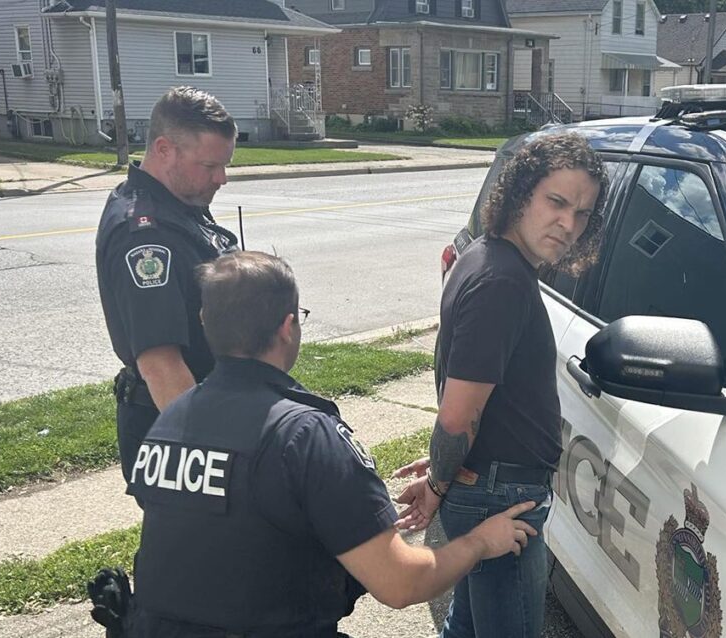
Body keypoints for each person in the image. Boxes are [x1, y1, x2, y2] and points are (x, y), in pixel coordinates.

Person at [121, 251, 541, 638]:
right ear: (287, 327)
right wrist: (480, 541)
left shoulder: (169, 421)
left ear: (205, 322)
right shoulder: (304, 437)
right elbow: (400, 583)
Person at [394, 132, 609, 638]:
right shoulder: (502, 282)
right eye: (556, 202)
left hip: (486, 481)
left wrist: (447, 468)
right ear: (520, 194)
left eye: (582, 213)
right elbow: (457, 417)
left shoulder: (484, 255)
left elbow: (473, 396)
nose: (568, 224)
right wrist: (438, 485)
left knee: (468, 625)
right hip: (499, 497)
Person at [95, 86, 239, 484]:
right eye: (209, 166)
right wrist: (220, 453)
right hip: (180, 431)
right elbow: (161, 365)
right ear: (164, 150)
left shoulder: (180, 204)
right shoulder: (145, 236)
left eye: (224, 165)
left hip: (206, 409)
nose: (221, 178)